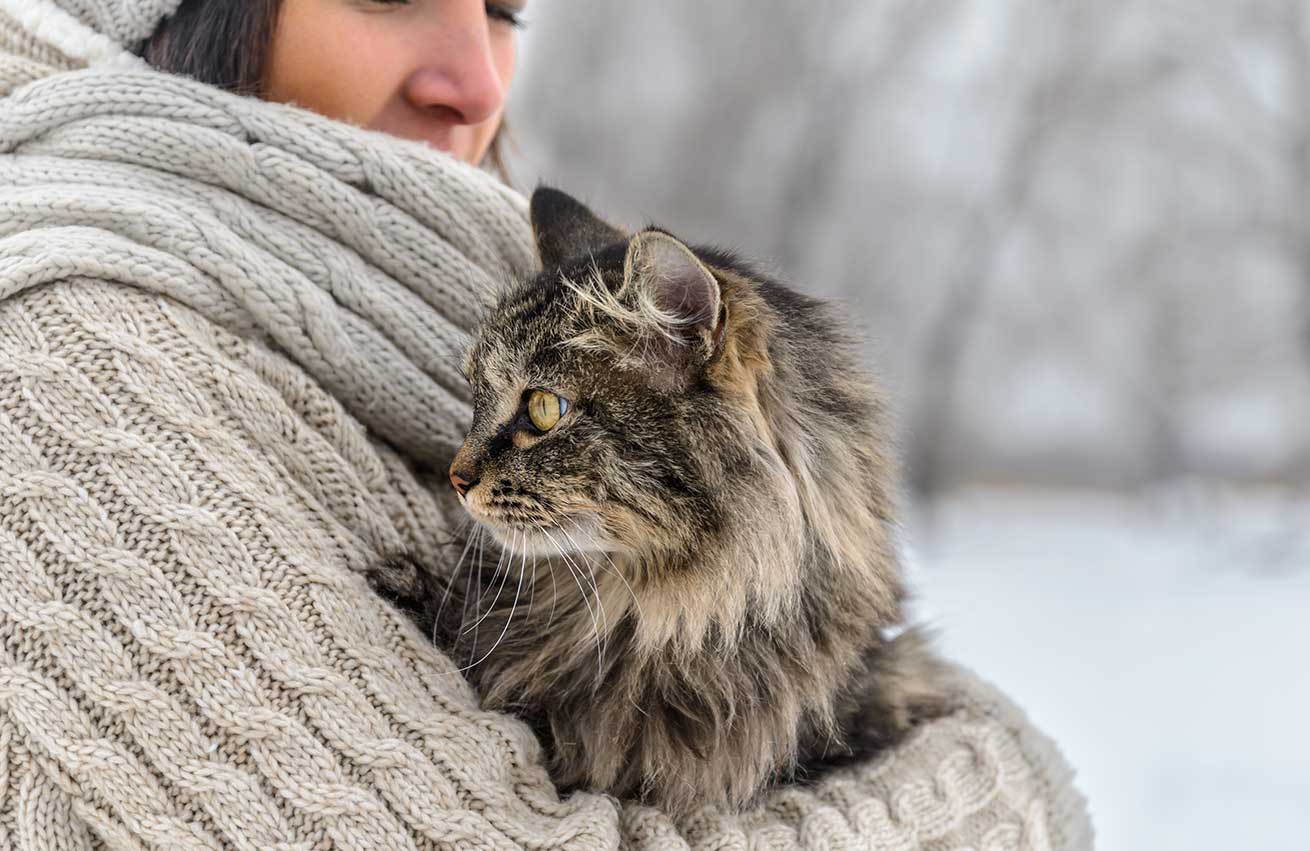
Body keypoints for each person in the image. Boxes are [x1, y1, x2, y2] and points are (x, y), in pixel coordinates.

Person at [0, 1, 1093, 848]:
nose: (475, 76)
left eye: (505, 12)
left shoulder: (431, 290)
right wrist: (1000, 789)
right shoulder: (61, 352)